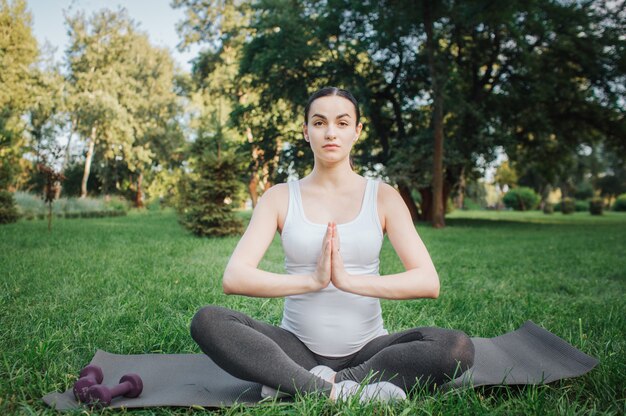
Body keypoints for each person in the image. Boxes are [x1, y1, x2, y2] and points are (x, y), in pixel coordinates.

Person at [190, 87, 474, 402]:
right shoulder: (280, 197)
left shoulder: (383, 197)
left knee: (456, 346)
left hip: (369, 352)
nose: (330, 133)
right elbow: (235, 277)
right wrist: (312, 281)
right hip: (296, 348)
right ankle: (338, 391)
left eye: (341, 123)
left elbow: (427, 281)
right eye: (319, 122)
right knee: (208, 320)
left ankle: (305, 384)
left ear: (357, 131)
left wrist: (348, 281)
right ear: (306, 131)